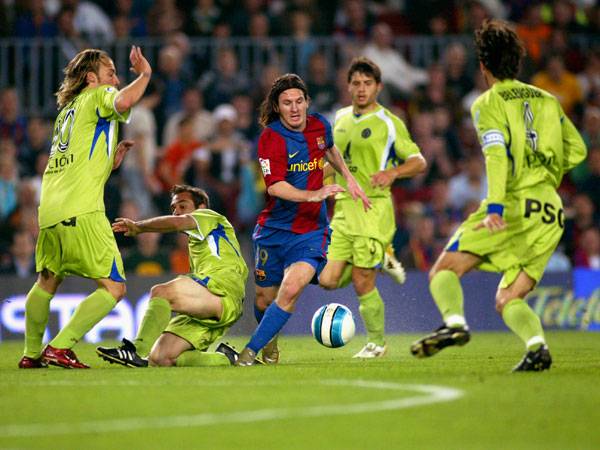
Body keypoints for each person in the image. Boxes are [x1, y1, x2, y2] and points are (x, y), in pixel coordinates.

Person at [410, 19, 587, 372]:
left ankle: (454, 323)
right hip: (550, 212)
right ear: (518, 61)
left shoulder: (486, 102)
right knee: (508, 297)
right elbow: (579, 150)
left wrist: (495, 206)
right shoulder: (548, 100)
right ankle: (537, 348)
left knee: (444, 269)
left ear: (483, 65)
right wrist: (545, 171)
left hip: (513, 204)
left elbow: (496, 155)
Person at [18, 46, 152, 369]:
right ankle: (60, 346)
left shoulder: (67, 112)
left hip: (50, 211)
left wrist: (110, 161)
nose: (116, 81)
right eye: (111, 74)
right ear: (92, 78)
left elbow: (76, 160)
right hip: (82, 210)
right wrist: (145, 74)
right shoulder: (97, 95)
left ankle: (31, 354)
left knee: (46, 282)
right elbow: (124, 101)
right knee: (114, 287)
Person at [236, 73, 370, 366]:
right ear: (277, 106)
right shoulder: (271, 138)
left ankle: (249, 352)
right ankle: (270, 343)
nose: (295, 108)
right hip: (273, 230)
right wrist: (314, 194)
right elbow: (275, 187)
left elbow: (330, 149)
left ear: (307, 102)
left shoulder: (320, 125)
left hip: (311, 231)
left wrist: (348, 178)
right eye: (287, 103)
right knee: (264, 299)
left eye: (299, 101)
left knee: (291, 287)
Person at [319, 57, 426, 358]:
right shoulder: (339, 117)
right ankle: (382, 257)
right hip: (343, 211)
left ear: (378, 87)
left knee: (361, 280)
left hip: (372, 209)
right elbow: (333, 161)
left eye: (368, 83)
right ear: (348, 87)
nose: (361, 88)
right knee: (327, 280)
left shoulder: (389, 122)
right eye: (356, 83)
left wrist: (393, 172)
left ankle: (376, 343)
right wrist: (319, 183)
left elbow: (419, 162)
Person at [96, 185, 248, 367]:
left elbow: (177, 223)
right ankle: (228, 358)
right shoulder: (198, 244)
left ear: (201, 207)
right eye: (174, 208)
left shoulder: (209, 216)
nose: (177, 212)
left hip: (222, 289)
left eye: (183, 206)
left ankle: (135, 351)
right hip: (211, 299)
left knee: (162, 292)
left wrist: (138, 227)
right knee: (160, 358)